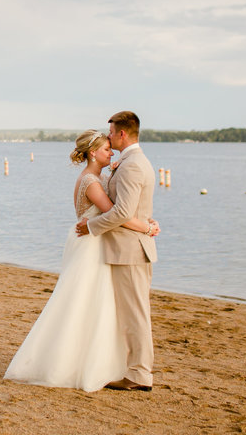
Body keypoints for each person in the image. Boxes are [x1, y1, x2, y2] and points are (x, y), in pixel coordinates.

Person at [4, 129, 159, 391]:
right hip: (92, 245)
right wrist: (147, 228)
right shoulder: (92, 182)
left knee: (84, 301)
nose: (112, 153)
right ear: (92, 153)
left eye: (112, 148)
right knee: (85, 302)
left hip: (89, 242)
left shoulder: (94, 177)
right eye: (106, 149)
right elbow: (116, 213)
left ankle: (89, 359)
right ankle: (77, 362)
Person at [76, 110, 157, 391]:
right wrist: (146, 223)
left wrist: (91, 226)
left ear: (122, 133)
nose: (108, 137)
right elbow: (133, 209)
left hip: (130, 250)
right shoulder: (130, 161)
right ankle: (131, 369)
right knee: (131, 313)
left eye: (111, 133)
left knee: (135, 314)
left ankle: (139, 375)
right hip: (126, 247)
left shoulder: (133, 164)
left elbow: (122, 212)